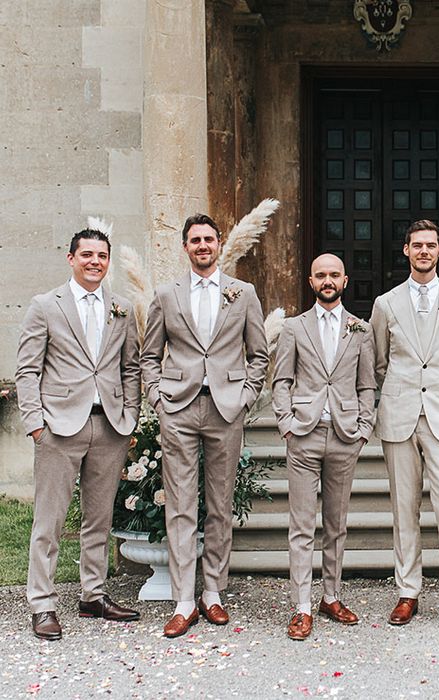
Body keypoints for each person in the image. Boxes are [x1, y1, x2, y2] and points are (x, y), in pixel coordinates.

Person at [142, 213, 269, 638]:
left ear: (219, 244)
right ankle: (182, 600)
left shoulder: (243, 292)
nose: (202, 246)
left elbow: (259, 354)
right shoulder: (166, 294)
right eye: (194, 240)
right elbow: (149, 356)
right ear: (185, 246)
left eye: (208, 239)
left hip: (226, 408)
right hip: (177, 408)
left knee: (219, 504)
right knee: (179, 505)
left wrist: (246, 396)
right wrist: (158, 399)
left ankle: (212, 593)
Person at [16, 228, 141, 640]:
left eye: (102, 255)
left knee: (99, 519)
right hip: (58, 426)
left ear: (107, 261)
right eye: (86, 254)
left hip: (108, 426)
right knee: (49, 521)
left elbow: (130, 368)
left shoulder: (121, 308)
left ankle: (93, 594)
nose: (95, 261)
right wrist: (35, 423)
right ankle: (42, 604)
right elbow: (28, 369)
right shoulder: (44, 306)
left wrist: (131, 416)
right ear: (71, 258)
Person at [371, 219, 439, 632]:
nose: (424, 251)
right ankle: (408, 591)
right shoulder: (385, 303)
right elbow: (379, 362)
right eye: (417, 245)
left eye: (430, 245)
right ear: (406, 251)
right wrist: (401, 391)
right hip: (399, 413)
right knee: (404, 507)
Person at [272, 253, 376, 640]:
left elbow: (367, 384)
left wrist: (364, 427)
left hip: (346, 435)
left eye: (334, 275)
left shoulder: (360, 330)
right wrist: (286, 424)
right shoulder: (294, 328)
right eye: (321, 275)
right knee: (302, 526)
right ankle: (301, 607)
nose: (327, 280)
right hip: (305, 434)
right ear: (310, 281)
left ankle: (330, 596)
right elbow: (281, 379)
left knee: (336, 524)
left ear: (345, 281)